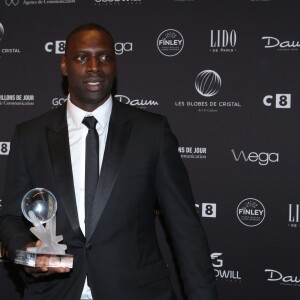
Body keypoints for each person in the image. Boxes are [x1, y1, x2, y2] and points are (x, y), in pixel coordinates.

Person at [0, 23, 218, 300]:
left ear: (115, 65)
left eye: (104, 57)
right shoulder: (29, 135)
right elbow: (9, 218)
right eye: (82, 57)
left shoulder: (151, 132)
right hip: (54, 291)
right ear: (64, 66)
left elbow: (185, 229)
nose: (95, 66)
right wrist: (29, 255)